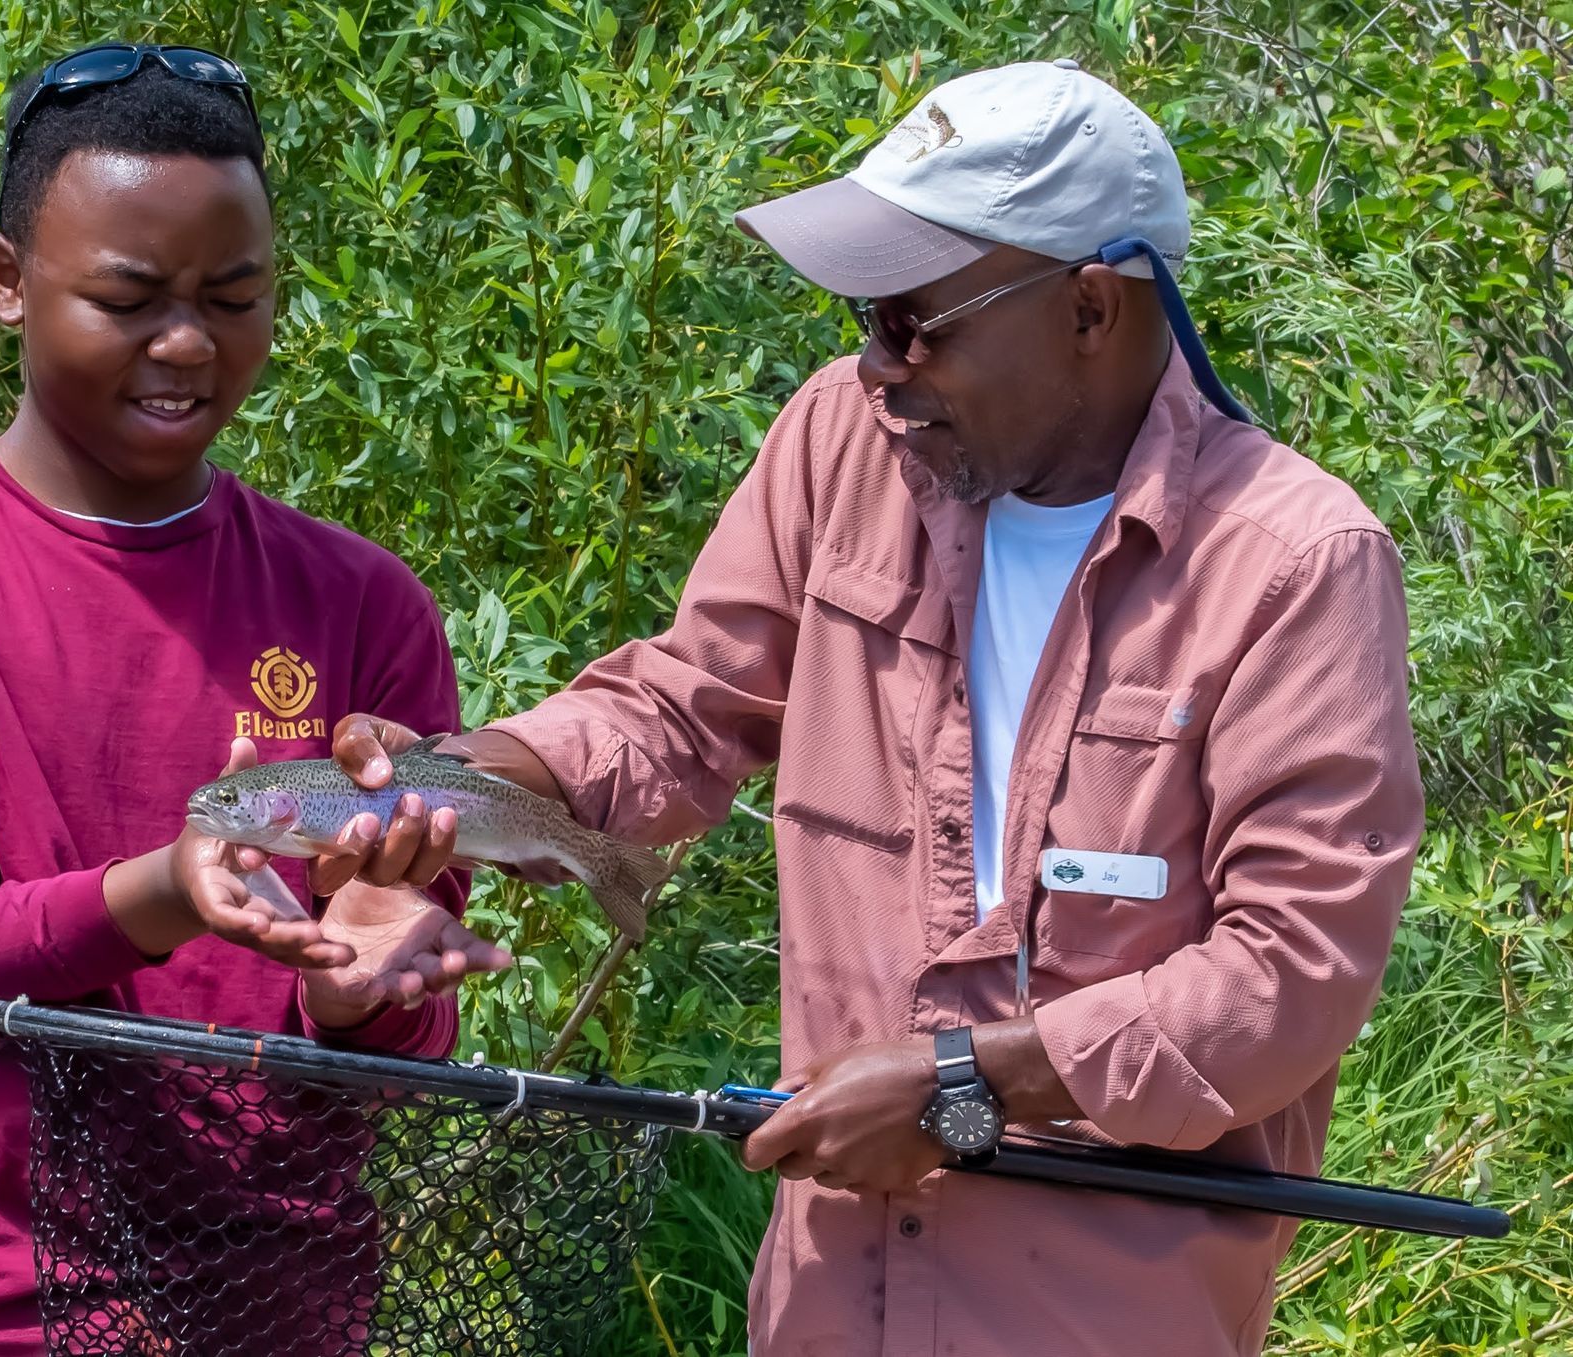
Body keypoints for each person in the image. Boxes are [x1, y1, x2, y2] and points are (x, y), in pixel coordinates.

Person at [318, 59, 1423, 1355]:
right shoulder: (838, 446)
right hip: (827, 1308)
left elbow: (1290, 975)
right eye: (863, 316)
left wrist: (969, 1084)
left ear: (1091, 306)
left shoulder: (1291, 560)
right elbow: (683, 704)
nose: (877, 363)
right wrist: (462, 777)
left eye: (917, 321)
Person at [0, 44, 508, 1357]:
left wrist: (366, 991)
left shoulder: (365, 603)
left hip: (263, 1305)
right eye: (130, 296)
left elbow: (390, 1007)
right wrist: (159, 889)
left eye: (235, 295)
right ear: (4, 281)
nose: (189, 343)